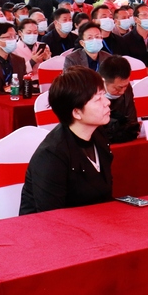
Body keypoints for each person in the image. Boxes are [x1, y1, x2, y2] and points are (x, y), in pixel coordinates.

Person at [20, 67, 113, 215]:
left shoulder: (99, 135)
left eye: (103, 95)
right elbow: (52, 217)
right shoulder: (51, 155)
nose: (107, 102)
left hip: (93, 220)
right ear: (76, 112)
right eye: (98, 99)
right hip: (53, 225)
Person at [96, 56, 140, 143]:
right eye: (118, 88)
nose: (122, 91)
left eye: (125, 86)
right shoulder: (89, 93)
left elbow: (132, 122)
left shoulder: (126, 87)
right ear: (102, 81)